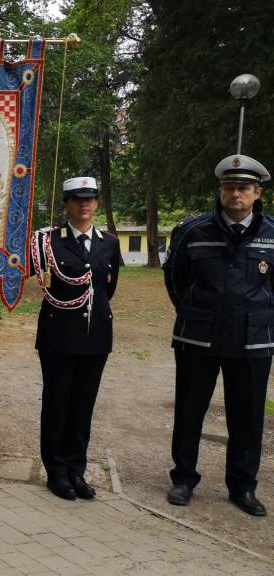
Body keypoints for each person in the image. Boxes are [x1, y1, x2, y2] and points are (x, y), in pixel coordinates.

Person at [163, 154, 272, 517]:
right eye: (229, 187)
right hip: (199, 337)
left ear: (257, 193)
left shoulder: (271, 234)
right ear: (220, 191)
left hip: (251, 339)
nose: (235, 194)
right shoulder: (193, 231)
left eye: (243, 188)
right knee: (190, 410)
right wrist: (193, 312)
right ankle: (183, 479)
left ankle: (243, 486)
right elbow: (175, 279)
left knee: (248, 416)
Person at [30, 177, 121, 501]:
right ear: (66, 204)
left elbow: (108, 288)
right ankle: (56, 472)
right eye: (77, 199)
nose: (84, 204)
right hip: (59, 336)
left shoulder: (108, 242)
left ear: (96, 202)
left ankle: (76, 470)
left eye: (90, 198)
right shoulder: (47, 241)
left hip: (95, 336)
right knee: (57, 405)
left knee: (83, 406)